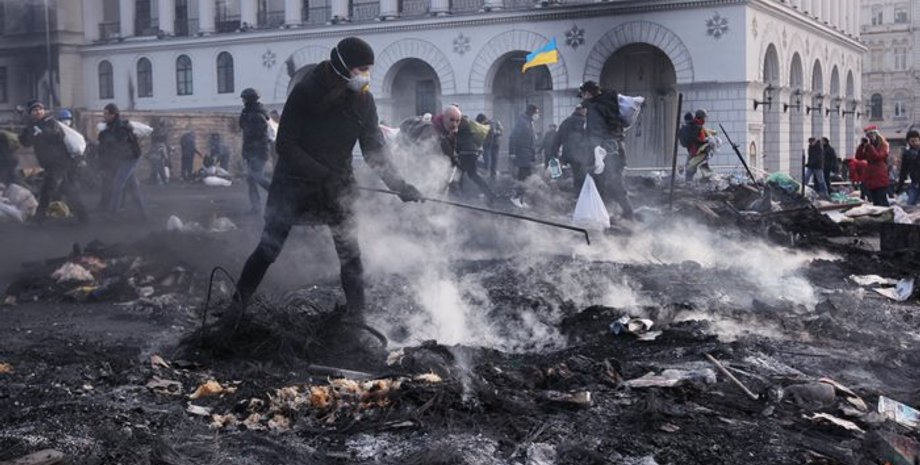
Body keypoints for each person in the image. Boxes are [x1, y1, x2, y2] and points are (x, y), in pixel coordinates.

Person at [234, 37, 422, 327]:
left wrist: (400, 186)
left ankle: (357, 320)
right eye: (361, 68)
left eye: (368, 69)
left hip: (337, 187)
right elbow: (286, 144)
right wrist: (323, 174)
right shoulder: (306, 92)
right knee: (268, 249)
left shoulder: (364, 101)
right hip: (294, 184)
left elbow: (374, 150)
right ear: (343, 67)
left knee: (350, 255)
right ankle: (236, 307)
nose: (366, 76)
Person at [18, 100, 88, 223]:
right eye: (35, 110)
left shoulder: (50, 122)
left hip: (58, 161)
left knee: (47, 189)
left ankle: (38, 219)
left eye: (40, 109)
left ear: (44, 110)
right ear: (31, 113)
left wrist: (38, 131)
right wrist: (27, 130)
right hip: (50, 163)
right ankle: (84, 216)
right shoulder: (31, 126)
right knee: (67, 189)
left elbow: (55, 135)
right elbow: (25, 142)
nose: (38, 111)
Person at [580, 80, 635, 220]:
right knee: (612, 182)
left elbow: (595, 132)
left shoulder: (595, 107)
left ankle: (625, 214)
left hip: (605, 151)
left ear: (587, 93)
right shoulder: (610, 102)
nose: (582, 97)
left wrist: (595, 154)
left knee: (608, 182)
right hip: (616, 148)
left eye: (583, 94)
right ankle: (617, 213)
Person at [97, 103, 147, 218]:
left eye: (106, 114)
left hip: (130, 158)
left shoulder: (120, 128)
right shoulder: (110, 127)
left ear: (113, 115)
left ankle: (112, 213)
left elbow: (119, 145)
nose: (104, 116)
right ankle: (143, 213)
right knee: (132, 185)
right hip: (126, 158)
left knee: (118, 184)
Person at [239, 87, 273, 214]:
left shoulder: (257, 115)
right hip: (252, 152)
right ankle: (256, 207)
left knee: (257, 176)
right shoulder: (249, 113)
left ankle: (276, 194)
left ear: (249, 100)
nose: (243, 101)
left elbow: (257, 137)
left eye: (244, 99)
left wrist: (251, 152)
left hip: (258, 152)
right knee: (251, 179)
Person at [455, 111, 496, 204]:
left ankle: (458, 196)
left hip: (464, 153)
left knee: (459, 174)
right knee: (472, 174)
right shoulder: (469, 126)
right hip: (472, 152)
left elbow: (457, 141)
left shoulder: (459, 126)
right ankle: (489, 193)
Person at [552, 104, 588, 194]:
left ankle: (575, 195)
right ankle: (580, 197)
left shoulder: (565, 122)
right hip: (581, 155)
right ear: (582, 110)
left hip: (567, 154)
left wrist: (555, 154)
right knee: (583, 177)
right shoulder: (584, 122)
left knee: (576, 175)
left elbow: (557, 139)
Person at [508, 104, 539, 207]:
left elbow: (532, 140)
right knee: (523, 176)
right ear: (531, 112)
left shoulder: (529, 123)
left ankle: (521, 199)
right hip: (522, 153)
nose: (537, 115)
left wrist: (533, 154)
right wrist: (512, 152)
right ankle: (516, 197)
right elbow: (513, 137)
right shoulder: (522, 122)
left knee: (526, 176)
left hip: (527, 154)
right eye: (537, 112)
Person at [855, 124, 890, 206]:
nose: (870, 137)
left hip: (880, 175)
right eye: (868, 135)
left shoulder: (883, 145)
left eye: (871, 134)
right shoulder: (868, 146)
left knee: (882, 200)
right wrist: (861, 146)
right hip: (871, 177)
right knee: (875, 201)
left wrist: (870, 147)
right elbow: (859, 157)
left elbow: (878, 157)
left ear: (876, 134)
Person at [683, 109, 714, 182]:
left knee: (690, 170)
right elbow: (699, 139)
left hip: (693, 151)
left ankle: (689, 183)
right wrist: (707, 140)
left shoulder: (694, 125)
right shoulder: (697, 127)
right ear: (701, 117)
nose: (705, 120)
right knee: (692, 168)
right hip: (697, 151)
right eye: (704, 118)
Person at [896, 129, 920, 206]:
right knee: (911, 205)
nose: (915, 143)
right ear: (908, 142)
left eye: (916, 140)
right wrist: (899, 187)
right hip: (915, 183)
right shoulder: (907, 154)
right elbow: (903, 171)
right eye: (912, 141)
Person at [476, 113, 502, 181]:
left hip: (491, 146)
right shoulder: (494, 122)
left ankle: (491, 178)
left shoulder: (490, 124)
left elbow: (498, 132)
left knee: (490, 164)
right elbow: (500, 131)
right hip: (493, 145)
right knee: (491, 164)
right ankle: (492, 177)